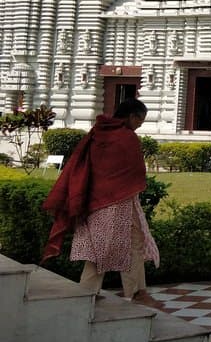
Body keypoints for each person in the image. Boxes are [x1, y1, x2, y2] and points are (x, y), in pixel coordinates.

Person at [42, 99, 160, 304]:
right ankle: (118, 293)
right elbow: (135, 171)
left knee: (113, 245)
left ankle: (115, 292)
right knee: (125, 244)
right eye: (140, 120)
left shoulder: (96, 132)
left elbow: (81, 164)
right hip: (120, 200)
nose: (140, 124)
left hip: (94, 199)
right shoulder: (127, 137)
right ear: (132, 116)